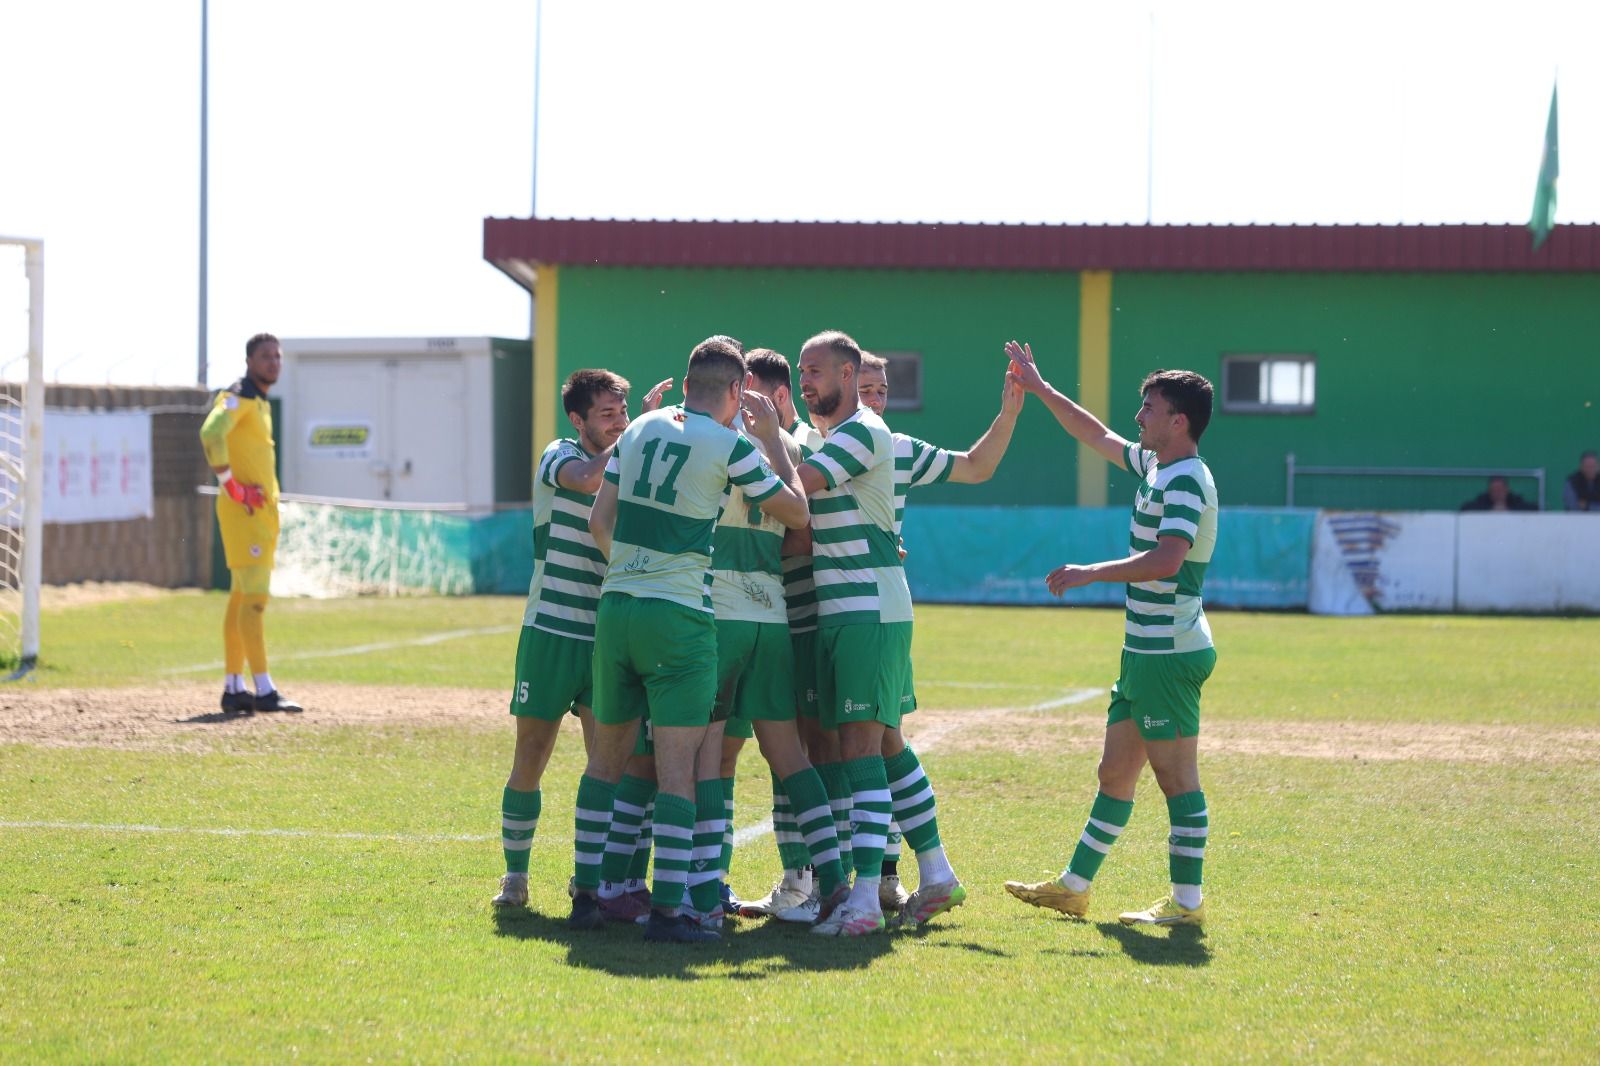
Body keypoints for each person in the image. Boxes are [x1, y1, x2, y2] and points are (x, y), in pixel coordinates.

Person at [573, 336, 809, 943]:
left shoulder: (638, 429)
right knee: (679, 770)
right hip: (679, 616)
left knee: (604, 764)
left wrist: (633, 569)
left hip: (617, 607)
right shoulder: (730, 443)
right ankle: (669, 913)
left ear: (684, 385)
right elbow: (796, 513)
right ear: (735, 391)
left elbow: (599, 522)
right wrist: (776, 445)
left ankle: (586, 899)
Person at [1001, 340, 1218, 928]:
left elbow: (1168, 560)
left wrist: (1089, 572)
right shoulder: (1157, 466)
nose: (1138, 416)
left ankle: (1188, 905)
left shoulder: (1186, 480)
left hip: (1168, 652)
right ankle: (1074, 887)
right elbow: (1095, 434)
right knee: (1115, 774)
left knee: (1177, 780)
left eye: (1149, 408)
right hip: (1144, 651)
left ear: (1178, 421)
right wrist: (1041, 388)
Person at [794, 330, 966, 936]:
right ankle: (937, 873)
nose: (805, 381)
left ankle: (865, 901)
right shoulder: (833, 435)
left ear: (847, 374)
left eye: (815, 370)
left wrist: (748, 445)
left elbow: (796, 487)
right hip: (856, 608)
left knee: (862, 749)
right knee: (885, 743)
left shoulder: (862, 431)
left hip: (866, 608)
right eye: (801, 371)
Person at [490, 369, 670, 909]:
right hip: (550, 630)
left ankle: (593, 880)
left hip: (608, 634)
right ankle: (515, 877)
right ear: (577, 419)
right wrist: (637, 436)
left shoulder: (628, 464)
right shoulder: (559, 455)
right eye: (607, 415)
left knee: (611, 764)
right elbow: (588, 478)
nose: (618, 423)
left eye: (623, 413)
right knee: (531, 753)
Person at [198, 333, 301, 715]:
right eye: (265, 356)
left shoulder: (258, 400)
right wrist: (233, 487)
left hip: (258, 514)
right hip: (245, 513)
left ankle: (234, 687)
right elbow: (211, 433)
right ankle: (264, 689)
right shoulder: (238, 396)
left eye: (277, 356)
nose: (274, 362)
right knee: (254, 600)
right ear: (249, 361)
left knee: (242, 597)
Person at [1460, 476, 1537, 512]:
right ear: (1489, 492)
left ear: (1507, 490)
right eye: (1494, 490)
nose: (1497, 493)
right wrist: (1490, 511)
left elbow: (1534, 509)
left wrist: (1509, 510)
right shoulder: (1482, 502)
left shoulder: (1516, 501)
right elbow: (1465, 509)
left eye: (1500, 490)